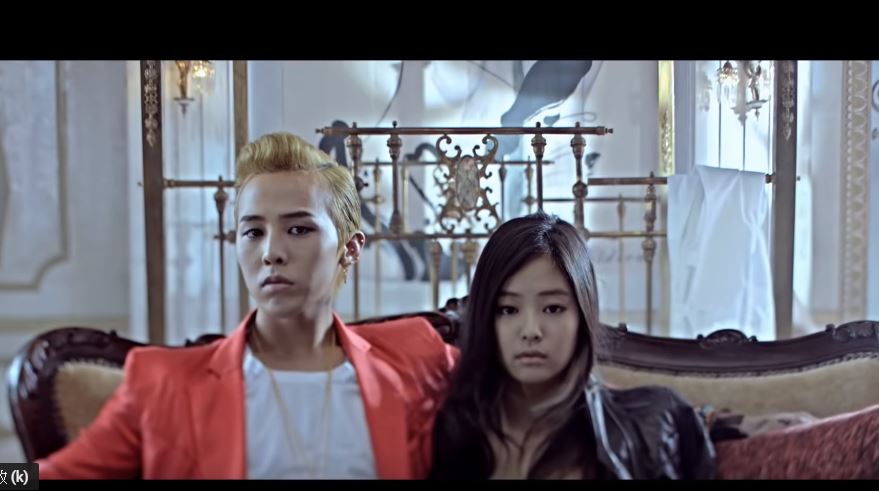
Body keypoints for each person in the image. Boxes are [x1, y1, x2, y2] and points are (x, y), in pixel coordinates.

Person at [37, 132, 457, 479]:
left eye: (298, 229)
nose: (272, 252)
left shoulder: (416, 356)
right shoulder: (162, 382)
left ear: (349, 248)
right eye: (253, 232)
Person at [429, 213, 716, 479]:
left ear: (583, 314)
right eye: (508, 309)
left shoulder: (652, 425)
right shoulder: (454, 431)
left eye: (553, 308)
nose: (531, 331)